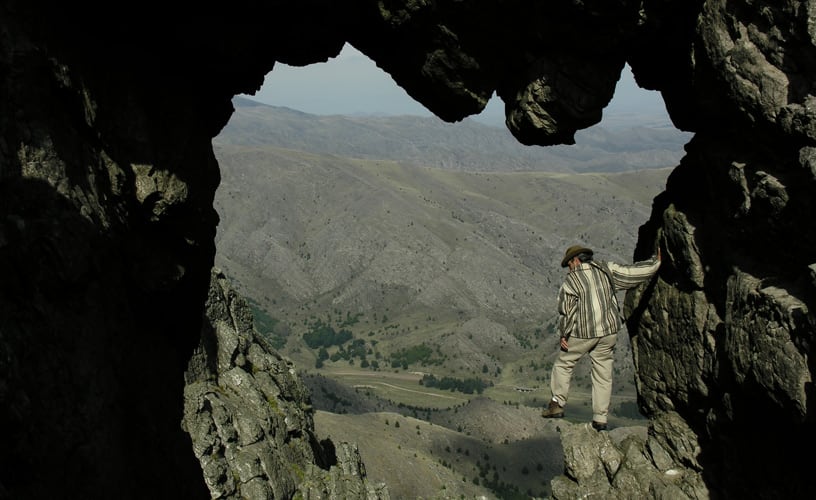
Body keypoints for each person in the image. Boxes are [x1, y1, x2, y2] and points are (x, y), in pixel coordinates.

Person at [541, 244, 661, 431]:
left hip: (583, 333)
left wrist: (564, 334)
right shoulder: (607, 270)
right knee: (603, 373)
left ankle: (557, 403)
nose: (569, 268)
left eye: (569, 263)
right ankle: (600, 418)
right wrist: (655, 263)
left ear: (575, 260)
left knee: (564, 363)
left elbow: (567, 311)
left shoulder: (572, 281)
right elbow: (632, 274)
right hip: (608, 332)